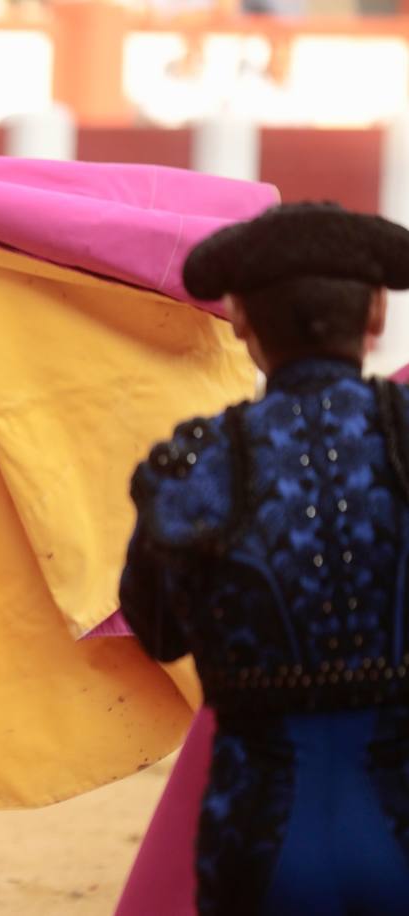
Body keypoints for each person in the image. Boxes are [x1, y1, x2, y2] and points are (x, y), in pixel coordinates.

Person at [119, 202, 409, 915]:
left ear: (241, 318)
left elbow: (157, 630)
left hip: (260, 839)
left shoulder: (194, 467)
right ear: (376, 313)